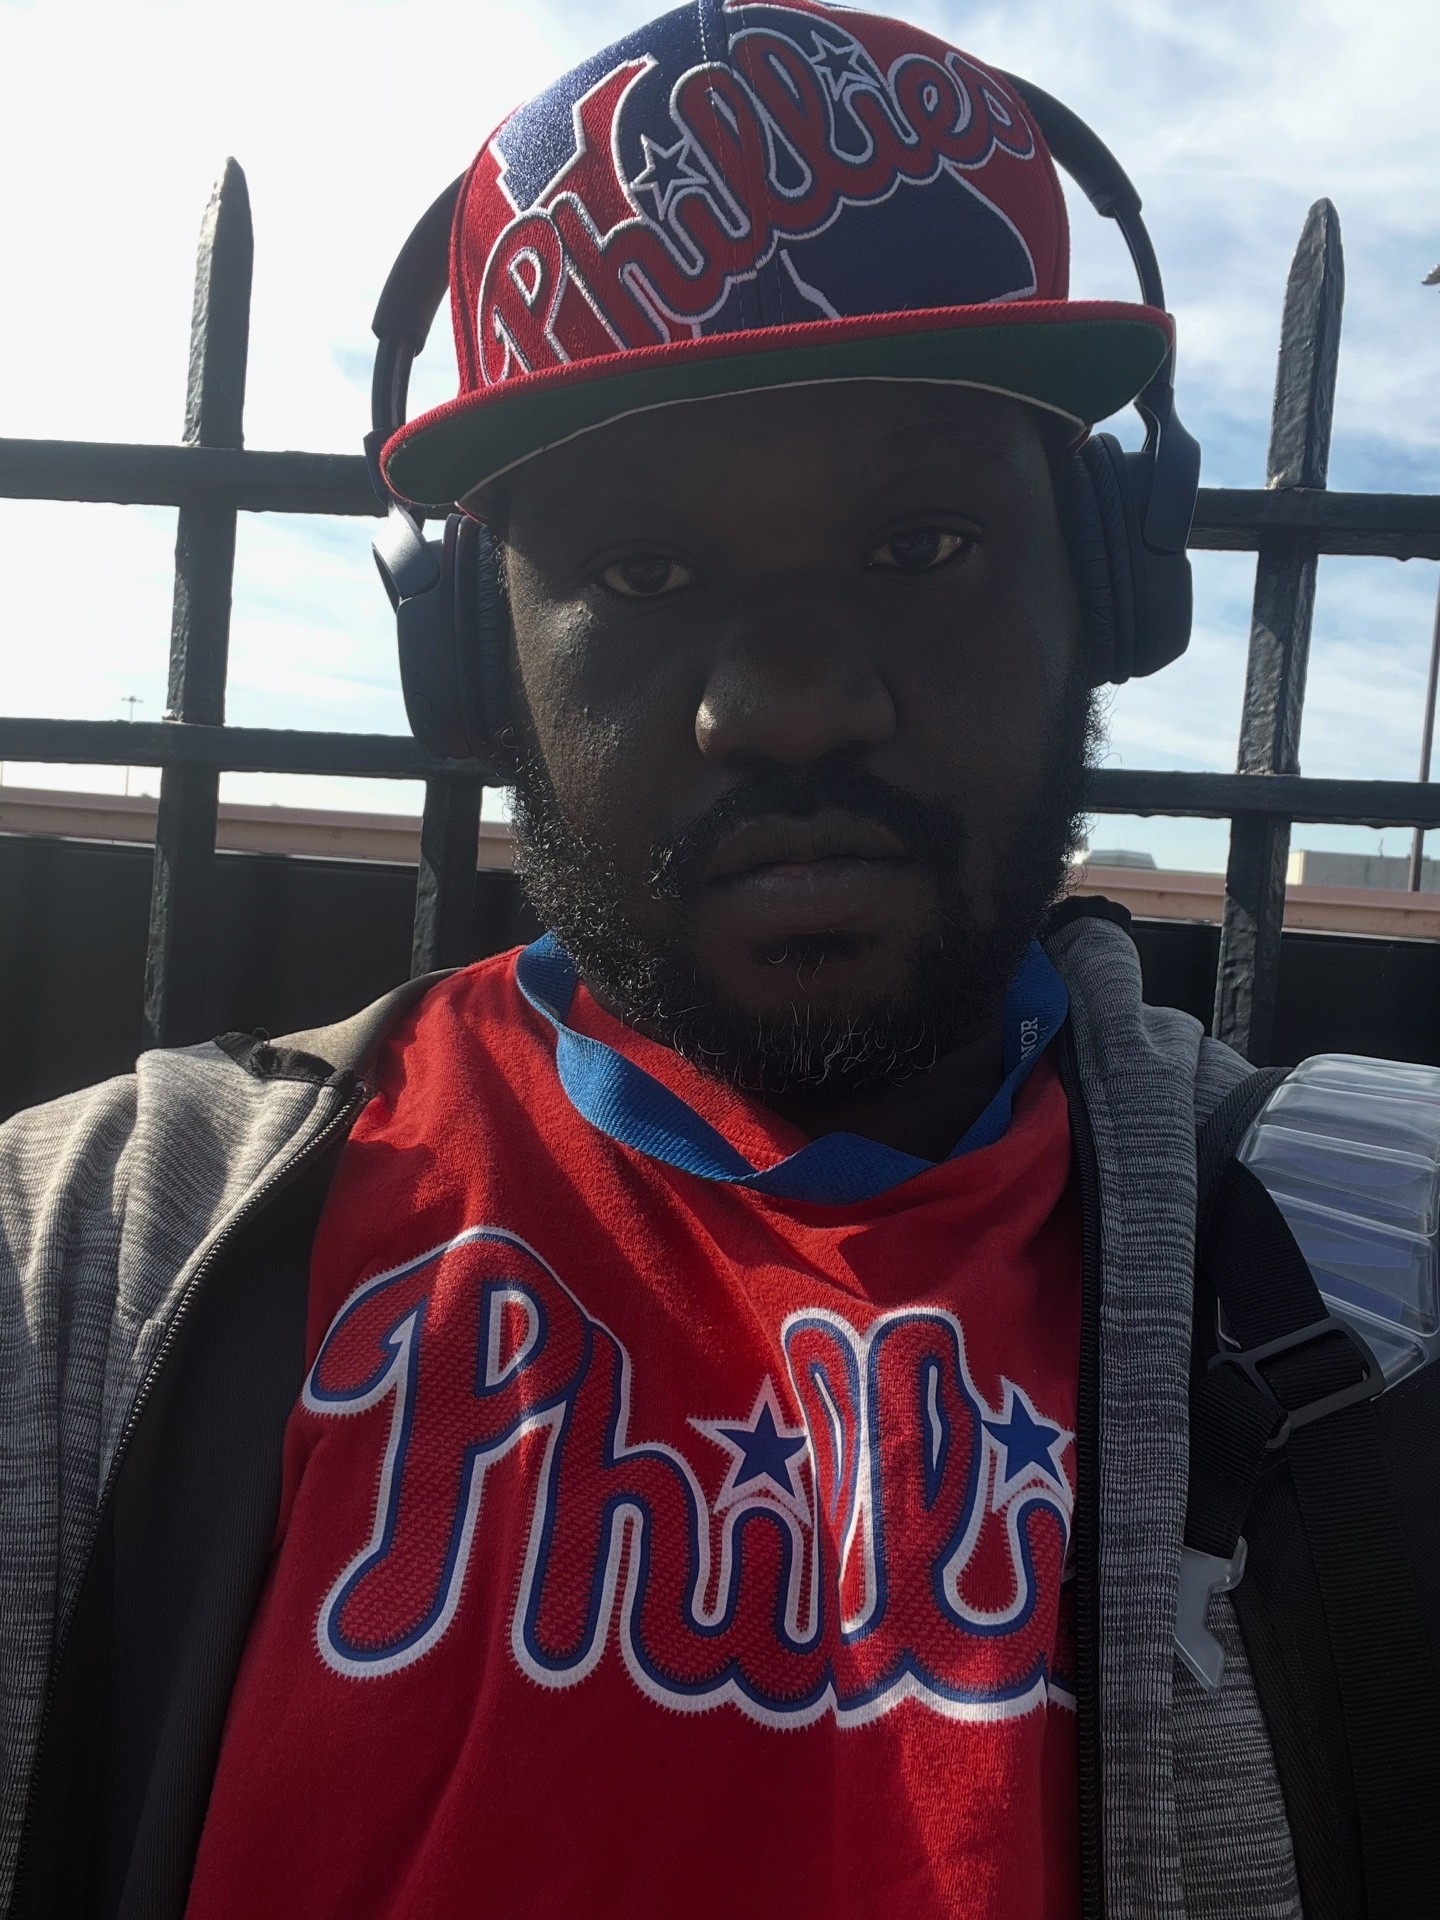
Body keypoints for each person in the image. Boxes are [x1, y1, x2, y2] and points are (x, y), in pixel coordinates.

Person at [0, 5, 1347, 1918]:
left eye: (923, 543)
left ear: (1111, 588)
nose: (788, 703)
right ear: (474, 660)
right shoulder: (102, 1256)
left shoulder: (1370, 1288)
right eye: (639, 574)